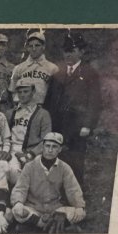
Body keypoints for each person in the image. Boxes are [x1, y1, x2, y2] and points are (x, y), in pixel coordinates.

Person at [44, 33, 102, 184]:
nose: (68, 54)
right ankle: (57, 192)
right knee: (56, 159)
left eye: (72, 50)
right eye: (65, 50)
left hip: (77, 127)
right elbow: (49, 100)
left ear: (81, 52)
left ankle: (75, 196)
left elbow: (95, 102)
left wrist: (87, 125)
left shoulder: (89, 73)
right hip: (58, 125)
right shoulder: (58, 72)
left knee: (75, 160)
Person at [11, 132, 86, 233]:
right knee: (18, 211)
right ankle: (51, 226)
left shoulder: (64, 168)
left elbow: (73, 189)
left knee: (79, 213)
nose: (50, 150)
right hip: (34, 208)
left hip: (55, 209)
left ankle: (38, 226)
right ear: (42, 147)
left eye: (54, 147)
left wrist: (79, 206)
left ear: (59, 149)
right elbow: (20, 188)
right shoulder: (30, 166)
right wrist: (18, 203)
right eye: (47, 146)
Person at [6, 78, 52, 184]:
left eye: (26, 91)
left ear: (33, 91)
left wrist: (31, 154)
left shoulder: (43, 114)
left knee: (35, 173)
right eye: (20, 92)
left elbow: (46, 139)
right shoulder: (10, 113)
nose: (22, 95)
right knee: (12, 170)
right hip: (12, 150)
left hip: (32, 151)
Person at [9, 31, 59, 105]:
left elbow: (55, 94)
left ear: (43, 46)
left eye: (37, 45)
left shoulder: (52, 68)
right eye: (31, 46)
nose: (34, 49)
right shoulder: (19, 68)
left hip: (41, 107)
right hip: (22, 107)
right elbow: (12, 90)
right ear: (27, 48)